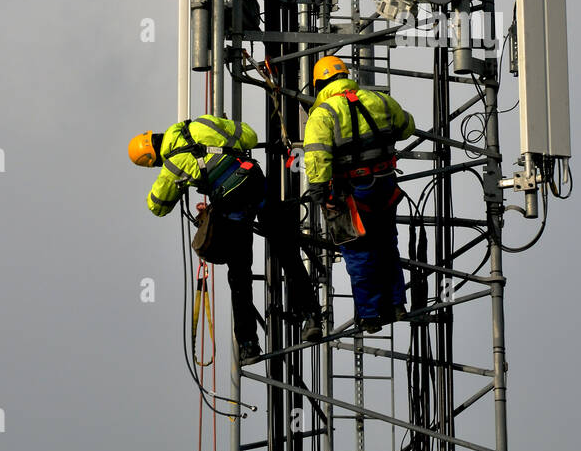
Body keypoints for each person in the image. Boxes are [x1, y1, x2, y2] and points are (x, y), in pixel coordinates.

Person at [129, 115, 321, 362]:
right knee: (287, 252)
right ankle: (312, 316)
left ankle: (249, 345)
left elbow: (157, 206)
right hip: (255, 184)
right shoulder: (201, 124)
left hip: (233, 207)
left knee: (240, 276)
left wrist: (179, 179)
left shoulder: (172, 165)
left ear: (153, 159)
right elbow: (250, 136)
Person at [303, 56, 416, 333]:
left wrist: (320, 192)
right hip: (385, 186)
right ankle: (397, 304)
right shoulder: (379, 100)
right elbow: (407, 127)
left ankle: (370, 314)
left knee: (358, 252)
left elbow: (317, 158)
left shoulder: (323, 114)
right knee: (387, 245)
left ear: (319, 84)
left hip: (352, 194)